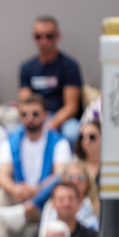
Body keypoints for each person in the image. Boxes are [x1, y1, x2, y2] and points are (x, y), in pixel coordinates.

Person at [0, 94, 72, 237]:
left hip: (44, 197)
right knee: (1, 192)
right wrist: (16, 189)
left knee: (60, 192)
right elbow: (2, 175)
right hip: (20, 196)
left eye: (35, 114)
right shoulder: (10, 141)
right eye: (25, 114)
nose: (30, 118)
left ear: (45, 116)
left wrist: (38, 190)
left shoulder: (59, 141)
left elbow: (60, 174)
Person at [18, 15, 83, 146]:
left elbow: (71, 106)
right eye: (39, 36)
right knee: (13, 133)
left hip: (63, 118)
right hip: (35, 116)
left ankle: (69, 166)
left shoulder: (69, 66)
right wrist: (36, 120)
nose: (44, 41)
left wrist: (53, 123)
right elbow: (25, 101)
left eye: (49, 36)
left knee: (72, 133)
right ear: (33, 38)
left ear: (57, 36)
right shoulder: (26, 67)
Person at [73, 119, 101, 186]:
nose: (86, 141)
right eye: (82, 137)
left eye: (92, 137)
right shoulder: (75, 164)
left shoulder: (110, 165)